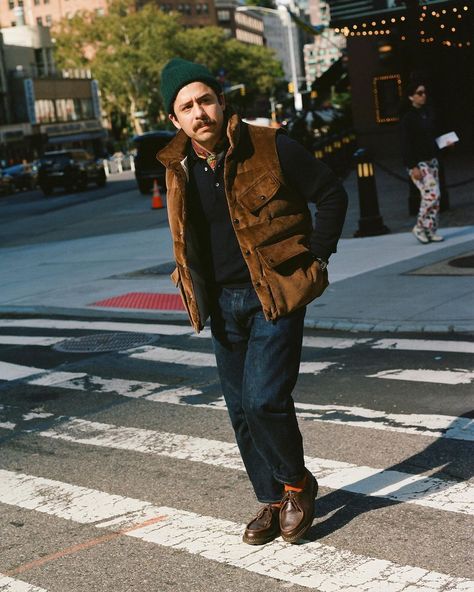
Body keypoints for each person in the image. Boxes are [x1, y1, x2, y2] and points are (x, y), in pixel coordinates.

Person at [158, 58, 348, 545]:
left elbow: (330, 193)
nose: (199, 112)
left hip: (275, 291)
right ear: (174, 119)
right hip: (221, 303)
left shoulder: (270, 145)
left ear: (222, 102)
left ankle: (297, 486)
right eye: (187, 107)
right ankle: (269, 498)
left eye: (205, 100)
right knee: (240, 408)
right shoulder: (176, 166)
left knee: (265, 399)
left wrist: (318, 258)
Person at [400, 82, 444, 244]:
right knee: (432, 195)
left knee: (434, 198)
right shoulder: (408, 118)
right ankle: (419, 227)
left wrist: (445, 143)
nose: (423, 95)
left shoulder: (428, 113)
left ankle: (430, 229)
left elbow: (432, 137)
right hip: (419, 163)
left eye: (424, 92)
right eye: (419, 93)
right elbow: (405, 144)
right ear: (411, 96)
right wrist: (412, 166)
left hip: (432, 160)